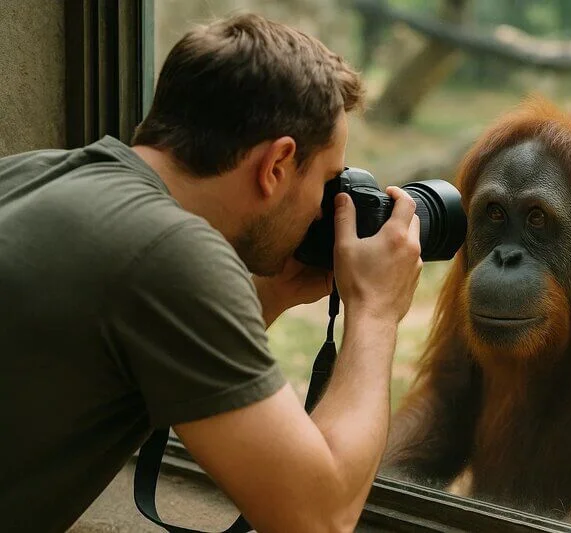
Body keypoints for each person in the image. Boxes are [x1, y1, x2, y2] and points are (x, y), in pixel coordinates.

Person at [0, 12, 423, 533]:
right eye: (328, 181)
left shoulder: (32, 173)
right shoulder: (171, 254)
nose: (325, 210)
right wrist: (376, 311)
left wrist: (271, 293)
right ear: (276, 165)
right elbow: (319, 517)